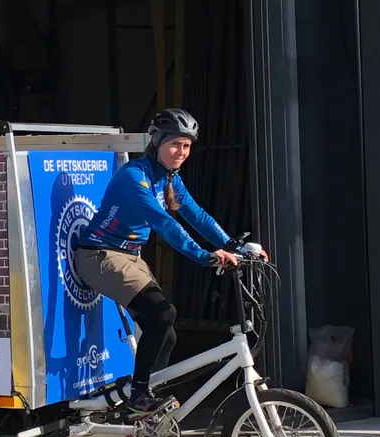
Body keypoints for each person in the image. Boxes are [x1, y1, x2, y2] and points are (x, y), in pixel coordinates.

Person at [75, 108, 267, 415]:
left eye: (187, 145)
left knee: (166, 331)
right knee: (162, 315)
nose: (181, 151)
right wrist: (205, 256)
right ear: (156, 142)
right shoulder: (134, 176)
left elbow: (197, 215)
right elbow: (164, 223)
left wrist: (235, 246)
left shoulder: (169, 179)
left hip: (128, 256)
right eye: (175, 144)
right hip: (101, 255)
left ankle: (148, 401)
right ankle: (138, 396)